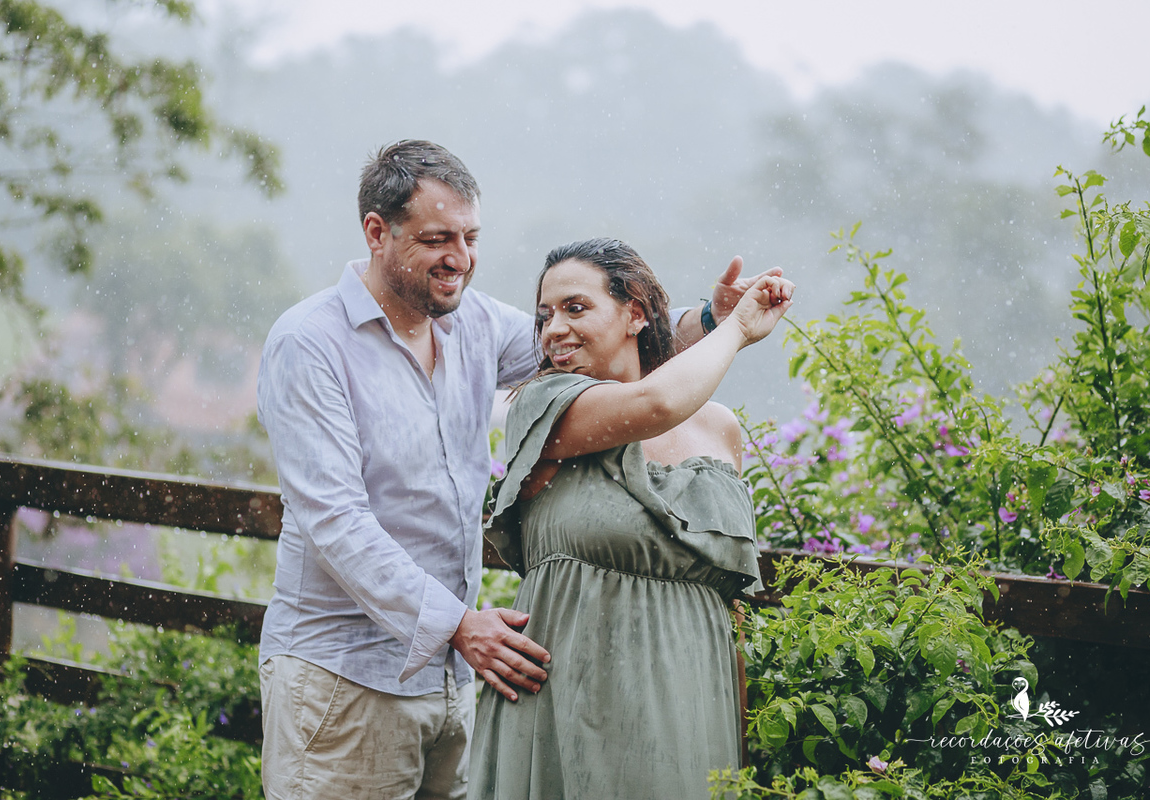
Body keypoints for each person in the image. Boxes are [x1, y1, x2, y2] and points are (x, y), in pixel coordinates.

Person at [255, 140, 783, 800]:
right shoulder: (309, 342)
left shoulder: (473, 323)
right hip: (345, 677)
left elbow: (598, 337)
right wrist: (459, 625)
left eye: (471, 237)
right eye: (437, 239)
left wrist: (710, 319)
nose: (460, 257)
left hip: (456, 681)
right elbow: (335, 521)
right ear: (377, 232)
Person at [469, 238, 794, 799]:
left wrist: (738, 744)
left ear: (636, 313)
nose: (553, 329)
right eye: (544, 316)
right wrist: (735, 329)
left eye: (575, 308)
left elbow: (730, 603)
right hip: (572, 703)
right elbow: (654, 404)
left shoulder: (719, 429)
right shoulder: (546, 406)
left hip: (695, 707)